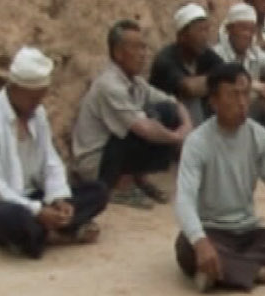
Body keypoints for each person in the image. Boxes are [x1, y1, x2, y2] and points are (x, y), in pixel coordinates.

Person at [173, 64, 265, 293]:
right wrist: (200, 241)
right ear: (213, 101)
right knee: (186, 247)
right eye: (233, 95)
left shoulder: (258, 136)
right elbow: (184, 199)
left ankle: (225, 271)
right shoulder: (197, 142)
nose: (242, 103)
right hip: (213, 232)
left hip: (249, 233)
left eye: (245, 94)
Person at [0, 48, 107, 258]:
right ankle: (56, 234)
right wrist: (37, 211)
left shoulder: (37, 113)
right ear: (15, 88)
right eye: (33, 98)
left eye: (40, 97)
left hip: (31, 197)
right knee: (15, 219)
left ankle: (46, 230)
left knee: (97, 191)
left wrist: (59, 198)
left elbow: (50, 161)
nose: (38, 103)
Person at [72, 19, 191, 209]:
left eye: (144, 47)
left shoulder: (135, 83)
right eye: (136, 48)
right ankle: (119, 187)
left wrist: (186, 125)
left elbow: (174, 103)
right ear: (118, 53)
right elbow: (143, 129)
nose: (143, 54)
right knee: (138, 128)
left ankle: (136, 178)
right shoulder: (109, 85)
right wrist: (176, 137)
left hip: (112, 153)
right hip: (96, 162)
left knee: (166, 112)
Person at [215, 3, 265, 141]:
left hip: (251, 108)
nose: (248, 34)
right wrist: (259, 87)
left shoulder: (254, 52)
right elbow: (228, 82)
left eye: (252, 30)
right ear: (229, 29)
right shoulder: (217, 54)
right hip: (230, 111)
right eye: (243, 29)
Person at [149, 3, 224, 125]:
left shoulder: (204, 53)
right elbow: (189, 89)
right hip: (169, 123)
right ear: (182, 36)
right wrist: (219, 80)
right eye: (200, 30)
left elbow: (228, 73)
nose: (205, 36)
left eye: (207, 30)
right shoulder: (165, 59)